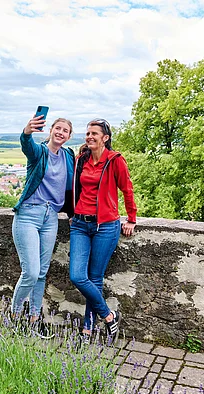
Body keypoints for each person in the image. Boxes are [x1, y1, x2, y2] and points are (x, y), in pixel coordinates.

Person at [69, 118, 137, 345]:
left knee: (95, 277)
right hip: (79, 224)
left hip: (106, 226)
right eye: (87, 133)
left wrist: (131, 219)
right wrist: (72, 213)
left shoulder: (115, 160)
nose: (89, 136)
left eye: (94, 133)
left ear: (105, 138)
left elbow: (127, 189)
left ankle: (87, 329)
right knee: (78, 276)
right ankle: (109, 316)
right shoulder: (81, 159)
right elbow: (73, 188)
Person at [11, 114, 74, 338]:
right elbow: (26, 145)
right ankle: (15, 316)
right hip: (29, 214)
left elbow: (71, 187)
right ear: (51, 131)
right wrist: (27, 131)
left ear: (69, 136)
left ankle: (34, 319)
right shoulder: (39, 152)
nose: (60, 133)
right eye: (57, 128)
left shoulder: (68, 156)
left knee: (42, 273)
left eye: (65, 130)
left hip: (51, 218)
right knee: (31, 271)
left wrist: (72, 213)